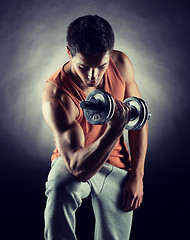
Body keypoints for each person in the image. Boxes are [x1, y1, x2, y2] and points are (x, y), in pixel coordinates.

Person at [42, 15, 148, 240]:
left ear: (110, 54)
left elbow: (138, 119)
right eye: (84, 66)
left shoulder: (120, 64)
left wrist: (137, 176)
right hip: (74, 160)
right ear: (69, 53)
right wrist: (114, 129)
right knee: (60, 186)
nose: (93, 76)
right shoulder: (57, 96)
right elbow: (79, 169)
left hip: (116, 164)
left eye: (101, 66)